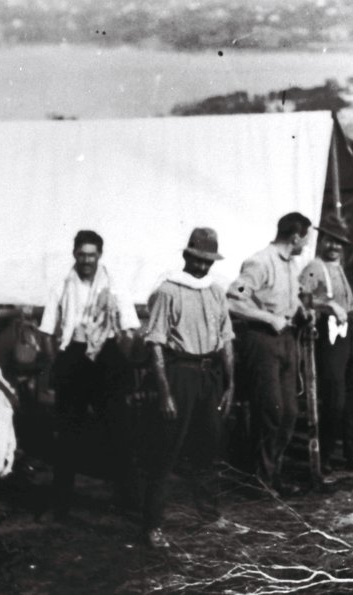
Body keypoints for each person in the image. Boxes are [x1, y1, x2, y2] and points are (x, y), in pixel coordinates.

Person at [134, 227, 235, 550]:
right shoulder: (168, 291)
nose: (202, 266)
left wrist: (230, 384)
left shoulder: (216, 292)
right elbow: (156, 345)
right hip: (180, 374)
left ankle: (210, 514)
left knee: (209, 448)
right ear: (187, 256)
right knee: (167, 450)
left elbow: (226, 340)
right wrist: (165, 393)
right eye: (197, 259)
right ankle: (152, 525)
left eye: (208, 260)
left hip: (209, 376)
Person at [38, 229, 141, 517]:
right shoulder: (61, 285)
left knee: (119, 432)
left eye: (91, 255)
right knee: (68, 434)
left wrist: (120, 360)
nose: (86, 260)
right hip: (73, 358)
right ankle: (61, 504)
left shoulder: (114, 284)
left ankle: (128, 501)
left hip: (107, 358)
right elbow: (46, 331)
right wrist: (56, 366)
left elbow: (130, 327)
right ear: (74, 255)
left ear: (99, 256)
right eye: (81, 255)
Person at [227, 212, 314, 495]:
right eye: (306, 237)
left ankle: (271, 474)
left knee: (289, 412)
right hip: (263, 341)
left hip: (288, 341)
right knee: (271, 411)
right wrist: (267, 318)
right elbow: (232, 301)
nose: (307, 242)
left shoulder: (291, 264)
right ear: (296, 237)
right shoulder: (259, 262)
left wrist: (301, 309)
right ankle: (260, 480)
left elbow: (289, 297)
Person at [298, 215, 353, 473]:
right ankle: (324, 456)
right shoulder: (314, 268)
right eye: (330, 241)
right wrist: (325, 305)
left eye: (339, 243)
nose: (334, 247)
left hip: (349, 332)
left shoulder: (338, 267)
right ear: (322, 241)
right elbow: (299, 300)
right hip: (328, 336)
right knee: (334, 397)